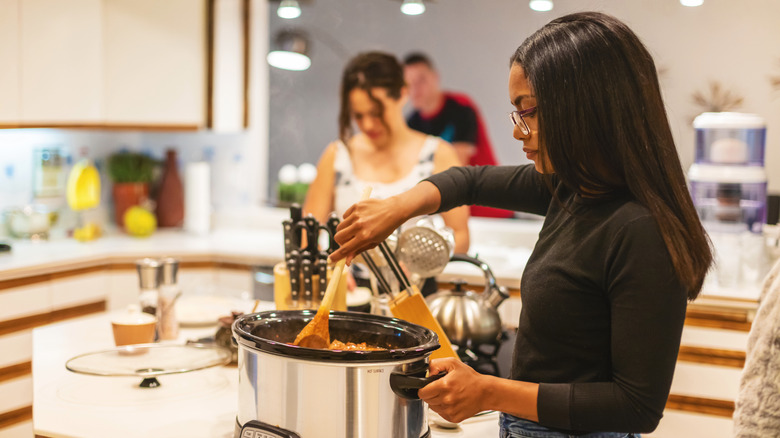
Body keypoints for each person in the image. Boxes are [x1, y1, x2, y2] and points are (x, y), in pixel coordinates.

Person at [331, 12, 712, 437]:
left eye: (526, 111)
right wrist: (395, 208)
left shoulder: (640, 230)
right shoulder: (573, 188)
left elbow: (635, 406)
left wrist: (488, 392)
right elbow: (468, 180)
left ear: (583, 108)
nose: (518, 132)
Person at [303, 51, 469, 254]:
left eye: (377, 113)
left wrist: (420, 264)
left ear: (402, 94)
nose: (368, 124)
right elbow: (307, 234)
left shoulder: (438, 154)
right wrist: (328, 264)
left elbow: (460, 236)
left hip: (415, 285)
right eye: (358, 116)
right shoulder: (337, 155)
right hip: (349, 285)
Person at [404, 52, 513, 219]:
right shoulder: (412, 122)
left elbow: (457, 165)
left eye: (421, 80)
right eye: (409, 83)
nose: (415, 89)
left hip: (488, 206)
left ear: (435, 77)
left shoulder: (460, 107)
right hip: (452, 209)